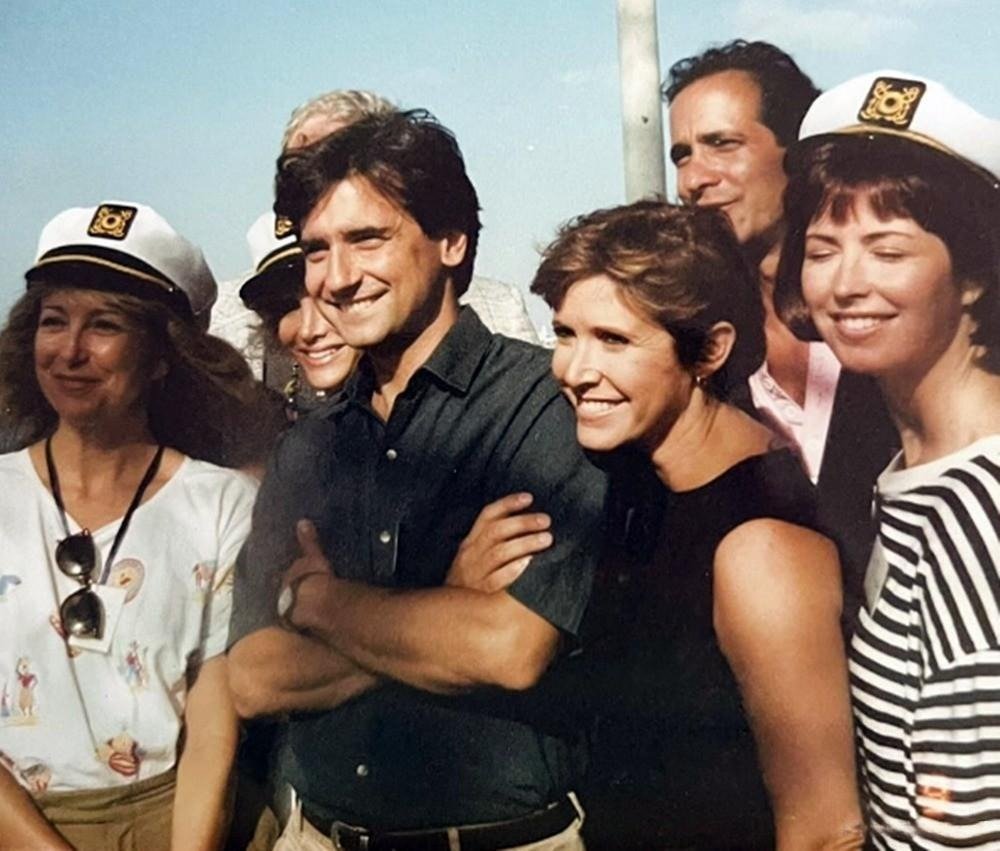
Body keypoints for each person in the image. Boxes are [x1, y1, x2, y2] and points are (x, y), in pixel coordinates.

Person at [227, 110, 607, 850]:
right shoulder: (308, 445)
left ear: (452, 241)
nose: (337, 278)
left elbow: (507, 648)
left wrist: (320, 600)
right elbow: (253, 678)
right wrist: (447, 597)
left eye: (368, 238)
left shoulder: (545, 406)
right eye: (316, 249)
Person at [530, 201, 864, 850]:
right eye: (566, 334)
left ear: (710, 350)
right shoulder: (636, 479)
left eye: (614, 340)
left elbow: (827, 828)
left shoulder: (759, 543)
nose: (574, 370)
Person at [775, 70, 1000, 850]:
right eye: (823, 248)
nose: (844, 283)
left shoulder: (982, 512)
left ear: (973, 275)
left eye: (888, 248)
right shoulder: (918, 476)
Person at [0, 202, 269, 850]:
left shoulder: (223, 503)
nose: (69, 351)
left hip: (181, 820)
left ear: (160, 357)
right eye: (54, 321)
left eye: (105, 326)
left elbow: (212, 714)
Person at [664, 38, 898, 625]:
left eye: (722, 144)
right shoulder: (697, 348)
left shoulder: (892, 310)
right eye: (682, 154)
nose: (694, 178)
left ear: (797, 154)